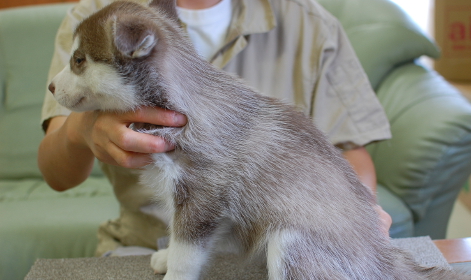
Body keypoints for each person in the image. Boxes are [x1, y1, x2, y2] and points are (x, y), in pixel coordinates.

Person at [38, 0, 393, 257]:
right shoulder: (97, 17)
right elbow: (57, 174)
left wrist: (356, 213)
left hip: (270, 250)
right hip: (144, 249)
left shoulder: (311, 24)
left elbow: (350, 152)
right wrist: (80, 130)